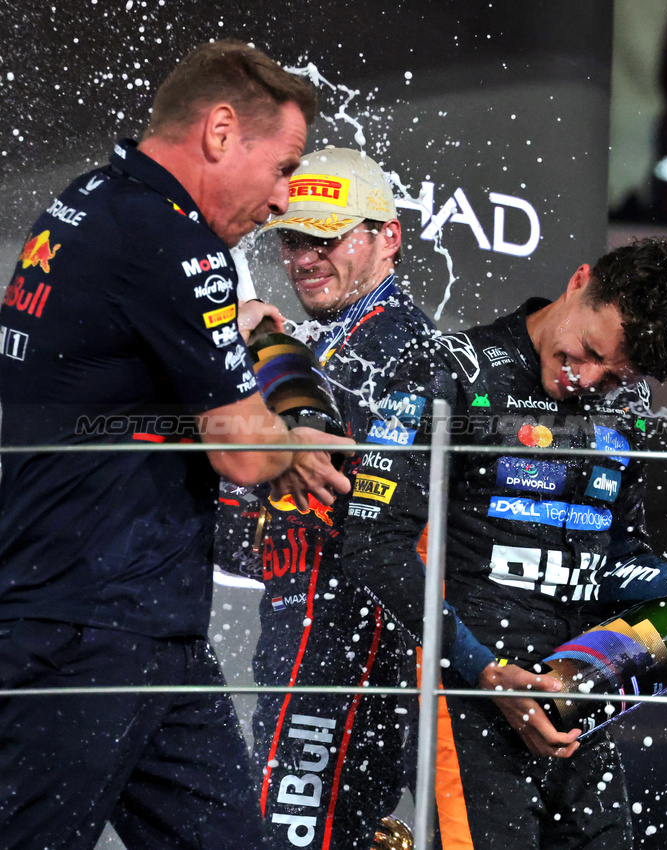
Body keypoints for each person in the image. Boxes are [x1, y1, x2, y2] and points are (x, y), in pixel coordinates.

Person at [0, 41, 353, 850]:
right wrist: (291, 436)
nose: (281, 202)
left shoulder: (89, 200)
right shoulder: (175, 243)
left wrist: (226, 342)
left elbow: (120, 369)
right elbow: (243, 456)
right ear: (221, 131)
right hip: (87, 633)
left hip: (142, 628)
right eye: (283, 167)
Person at [340, 236, 667, 849]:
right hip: (465, 689)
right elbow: (373, 546)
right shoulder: (445, 367)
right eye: (588, 352)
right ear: (579, 281)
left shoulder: (628, 402)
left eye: (616, 376)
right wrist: (487, 674)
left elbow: (615, 564)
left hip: (576, 693)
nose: (587, 381)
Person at [215, 146, 439, 850]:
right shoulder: (340, 338)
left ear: (387, 237)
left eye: (327, 238)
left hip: (342, 643)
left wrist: (261, 341)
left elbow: (331, 486)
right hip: (313, 633)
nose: (303, 257)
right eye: (291, 238)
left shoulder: (398, 346)